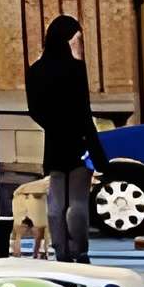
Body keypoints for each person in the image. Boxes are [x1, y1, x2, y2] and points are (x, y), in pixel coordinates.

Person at [25, 14, 110, 263]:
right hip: (78, 142)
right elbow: (84, 111)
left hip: (54, 143)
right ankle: (79, 250)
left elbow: (34, 109)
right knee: (78, 202)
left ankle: (60, 250)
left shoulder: (35, 71)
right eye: (76, 37)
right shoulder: (76, 69)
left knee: (56, 202)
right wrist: (98, 154)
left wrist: (53, 127)